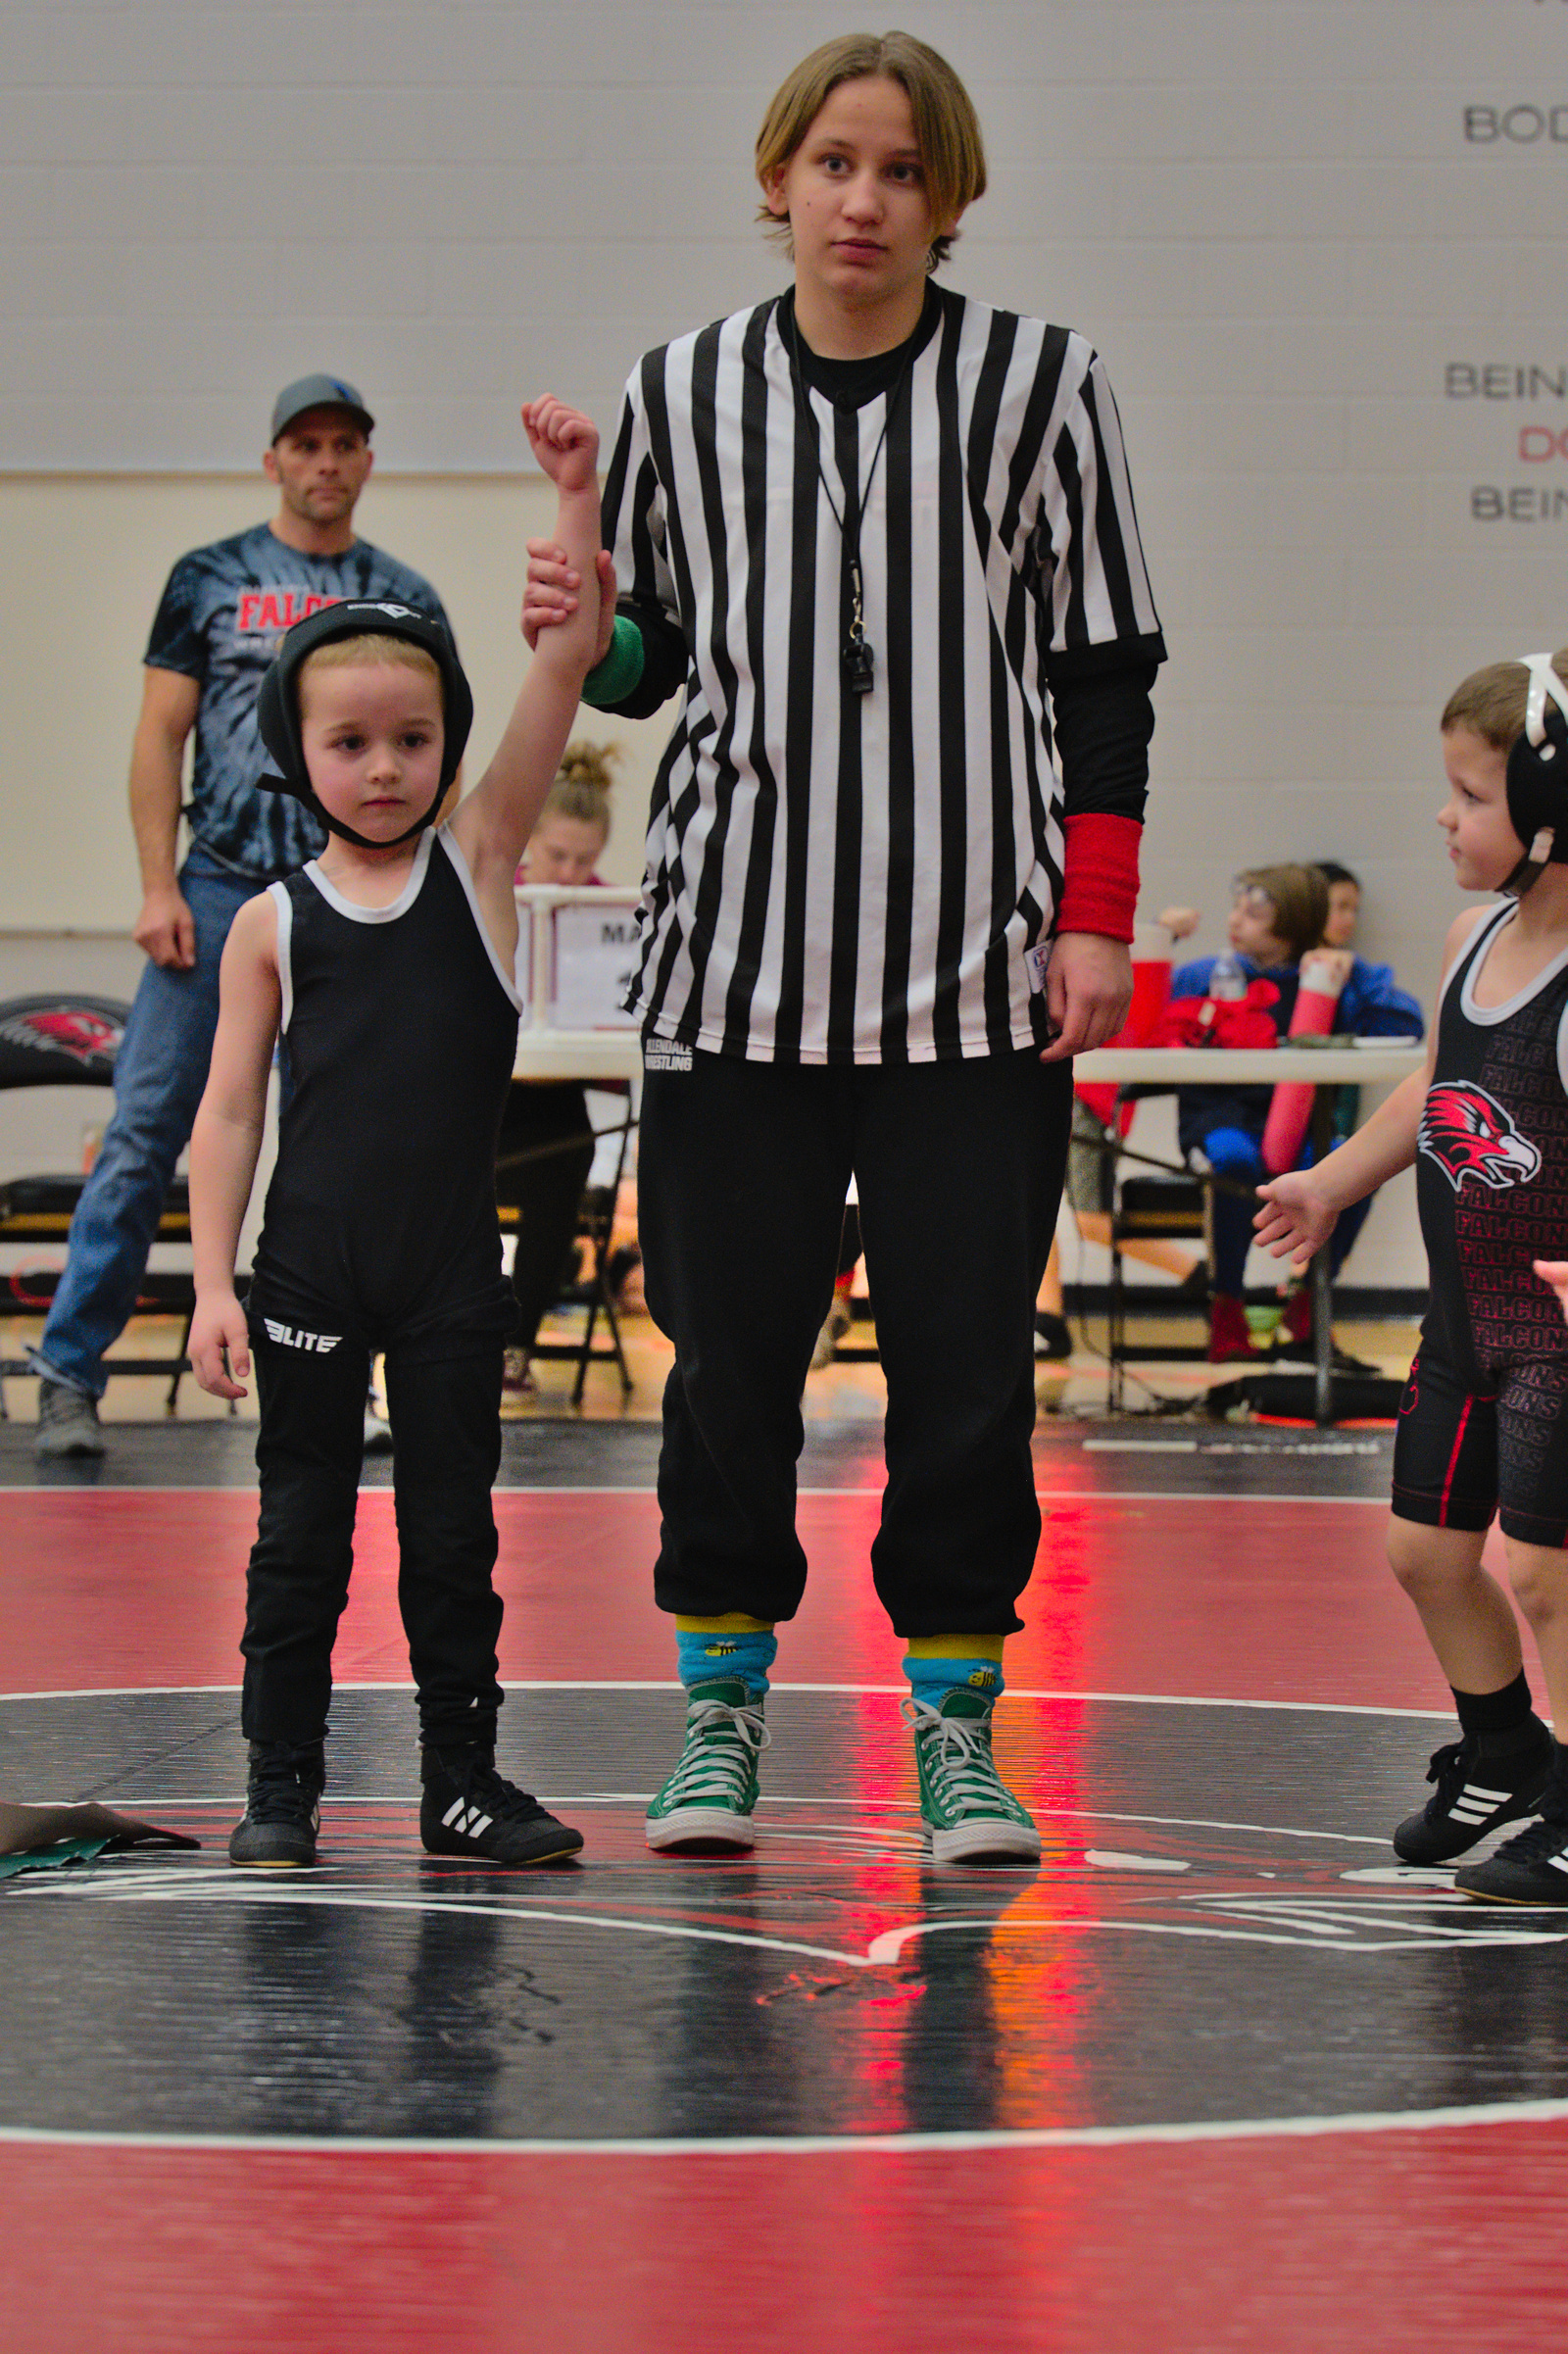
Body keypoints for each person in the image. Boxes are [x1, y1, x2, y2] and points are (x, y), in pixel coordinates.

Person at [525, 31, 1165, 1864]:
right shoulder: (680, 389)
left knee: (967, 1373)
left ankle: (955, 1727)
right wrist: (587, 626)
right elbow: (650, 662)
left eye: (901, 170)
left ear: (949, 197)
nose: (864, 200)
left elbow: (1106, 671)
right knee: (727, 1368)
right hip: (736, 970)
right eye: (833, 163)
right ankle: (720, 1712)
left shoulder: (1046, 382)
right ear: (778, 178)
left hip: (977, 976)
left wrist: (1098, 918)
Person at [187, 397, 601, 1871]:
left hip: (444, 1278)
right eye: (351, 742)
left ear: (447, 747)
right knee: (297, 1535)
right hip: (307, 1270)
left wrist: (574, 497)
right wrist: (213, 1282)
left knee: (453, 1540)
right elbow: (231, 1105)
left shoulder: (480, 864)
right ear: (296, 753)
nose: (384, 767)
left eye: (413, 740)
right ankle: (281, 1783)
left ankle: (461, 1782)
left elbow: (563, 663)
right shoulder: (270, 920)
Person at [32, 375, 452, 1459]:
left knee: (345, 1152)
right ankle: (69, 1374)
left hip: (341, 899)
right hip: (217, 891)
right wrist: (155, 884)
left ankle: (347, 1382)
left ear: (367, 461)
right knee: (144, 1133)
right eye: (305, 445)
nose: (326, 463)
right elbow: (158, 734)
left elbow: (438, 750)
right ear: (274, 461)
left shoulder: (401, 597)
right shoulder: (208, 578)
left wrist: (412, 895)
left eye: (344, 444)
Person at [1256, 649, 1568, 1905]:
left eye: (1470, 794)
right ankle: (1505, 1753)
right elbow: (1434, 1087)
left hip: (1555, 1337)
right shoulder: (1470, 936)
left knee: (1547, 1574)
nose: (1443, 815)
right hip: (1463, 1324)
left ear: (1549, 811)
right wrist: (1332, 1182)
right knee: (1426, 1551)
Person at [1171, 863, 1423, 1362]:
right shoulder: (1204, 975)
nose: (1235, 920)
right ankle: (1226, 1305)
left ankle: (1309, 1302)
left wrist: (1355, 972)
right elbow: (1148, 1018)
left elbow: (1405, 1024)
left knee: (1352, 1164)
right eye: (1236, 909)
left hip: (1301, 1125)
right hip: (1221, 1119)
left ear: (1292, 923)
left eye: (1253, 913)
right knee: (1234, 1161)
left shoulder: (1329, 977)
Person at [496, 744, 620, 1392]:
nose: (570, 874)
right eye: (558, 856)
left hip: (558, 1103)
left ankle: (516, 1345)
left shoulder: (608, 913)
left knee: (562, 1178)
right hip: (490, 1097)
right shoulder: (497, 898)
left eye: (585, 861)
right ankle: (458, 1331)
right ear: (529, 841)